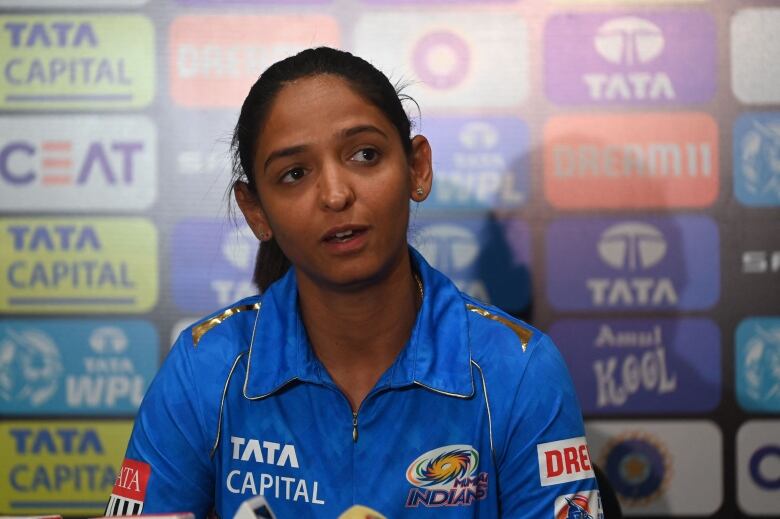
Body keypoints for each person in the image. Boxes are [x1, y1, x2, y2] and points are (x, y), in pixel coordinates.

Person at [106, 47, 601, 518]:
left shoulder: (517, 372)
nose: (336, 194)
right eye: (295, 173)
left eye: (364, 155)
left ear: (417, 168)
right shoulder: (206, 370)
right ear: (256, 211)